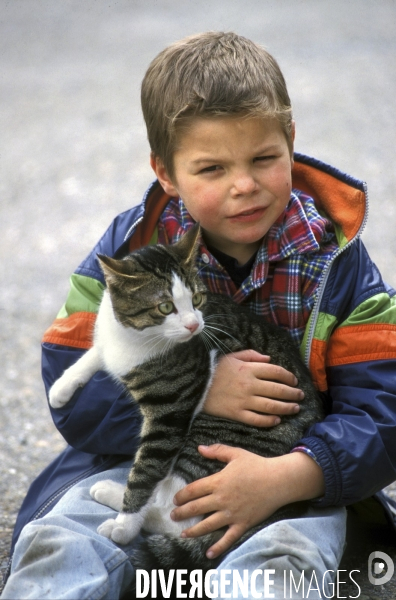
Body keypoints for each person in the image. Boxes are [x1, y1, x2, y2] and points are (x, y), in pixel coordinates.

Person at [2, 31, 396, 600]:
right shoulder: (132, 250)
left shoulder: (338, 262)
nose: (244, 185)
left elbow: (383, 410)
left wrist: (289, 476)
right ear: (166, 172)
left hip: (289, 477)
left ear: (290, 140)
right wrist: (198, 393)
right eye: (211, 169)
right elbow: (72, 383)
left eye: (264, 158)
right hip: (143, 464)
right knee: (68, 539)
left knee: (283, 561)